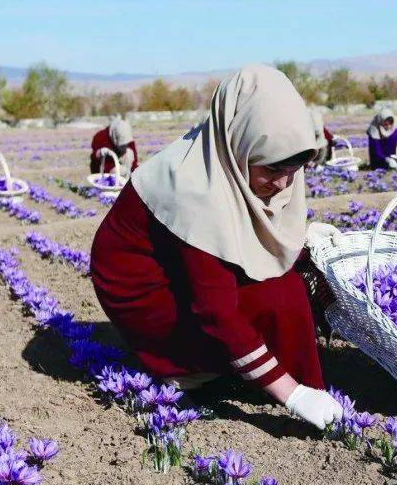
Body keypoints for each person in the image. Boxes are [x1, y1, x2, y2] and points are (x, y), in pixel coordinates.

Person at [90, 64, 344, 430]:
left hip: (179, 264)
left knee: (289, 279)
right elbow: (216, 312)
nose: (284, 183)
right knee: (275, 296)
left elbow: (256, 241)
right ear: (241, 144)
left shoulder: (242, 158)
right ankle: (186, 370)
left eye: (295, 168)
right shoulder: (197, 190)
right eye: (272, 170)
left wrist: (307, 248)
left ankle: (261, 367)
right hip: (144, 291)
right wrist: (292, 394)